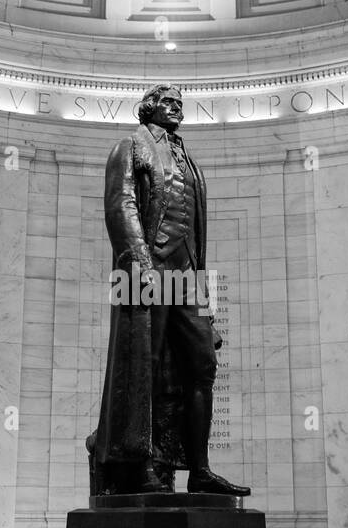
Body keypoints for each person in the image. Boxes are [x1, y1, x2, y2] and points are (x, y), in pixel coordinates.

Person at [90, 84, 250, 498]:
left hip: (186, 279)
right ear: (148, 108)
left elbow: (193, 231)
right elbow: (120, 205)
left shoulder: (188, 159)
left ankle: (199, 469)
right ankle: (140, 462)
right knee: (146, 367)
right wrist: (140, 263)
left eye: (180, 102)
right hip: (148, 272)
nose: (176, 107)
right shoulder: (131, 146)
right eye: (167, 101)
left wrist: (207, 308)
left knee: (202, 365)